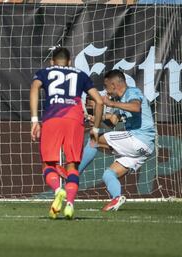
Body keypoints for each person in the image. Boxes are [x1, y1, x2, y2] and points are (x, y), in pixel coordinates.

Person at [30, 46, 103, 219]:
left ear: (52, 61)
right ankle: (70, 203)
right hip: (74, 120)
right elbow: (99, 102)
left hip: (52, 119)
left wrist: (34, 120)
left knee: (48, 164)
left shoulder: (44, 72)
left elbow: (34, 88)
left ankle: (58, 191)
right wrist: (96, 128)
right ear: (69, 62)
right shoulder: (80, 74)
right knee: (72, 166)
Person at [78, 69, 155, 211]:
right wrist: (95, 120)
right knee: (109, 174)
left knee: (94, 139)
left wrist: (111, 104)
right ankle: (117, 198)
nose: (106, 92)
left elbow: (136, 107)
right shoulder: (121, 101)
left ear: (114, 85)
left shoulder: (132, 92)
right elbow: (112, 122)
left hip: (138, 138)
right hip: (144, 149)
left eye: (106, 87)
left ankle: (75, 174)